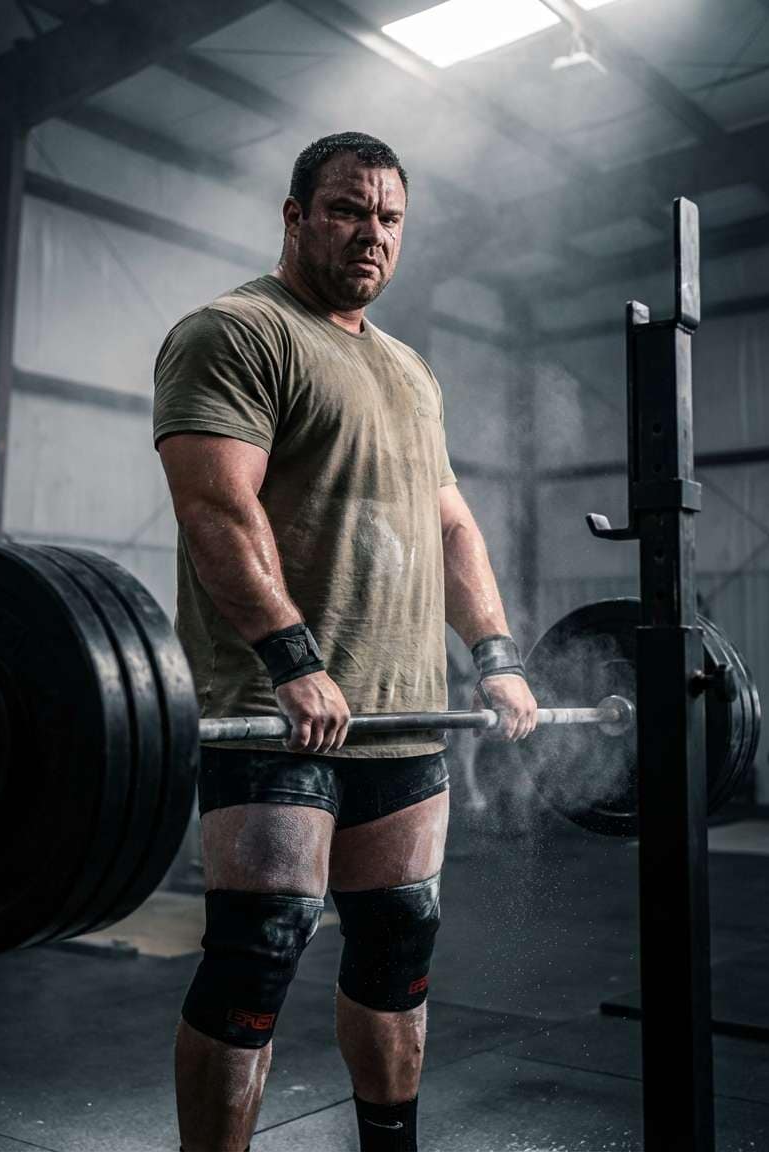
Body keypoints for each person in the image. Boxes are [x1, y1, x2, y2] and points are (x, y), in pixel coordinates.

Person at [153, 131, 537, 1152]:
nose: (371, 233)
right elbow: (215, 508)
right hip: (277, 717)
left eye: (389, 217)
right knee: (255, 955)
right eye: (346, 209)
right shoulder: (235, 332)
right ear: (294, 215)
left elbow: (450, 524)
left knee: (398, 950)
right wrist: (293, 658)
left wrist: (493, 656)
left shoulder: (410, 371)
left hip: (402, 720)